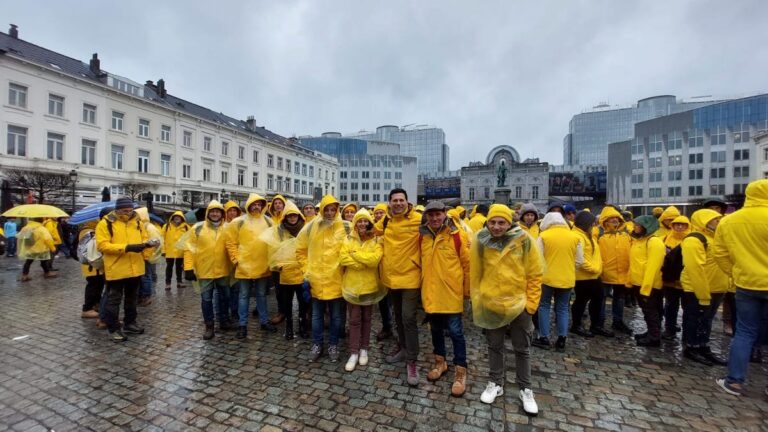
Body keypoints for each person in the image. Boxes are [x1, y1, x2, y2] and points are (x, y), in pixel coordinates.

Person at [471, 204, 541, 415]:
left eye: (501, 222)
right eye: (492, 222)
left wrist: (531, 305)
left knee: (522, 348)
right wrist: (478, 298)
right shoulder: (481, 240)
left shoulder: (524, 240)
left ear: (509, 222)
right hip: (492, 302)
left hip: (519, 303)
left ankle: (525, 388)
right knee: (494, 346)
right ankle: (495, 383)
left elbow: (535, 273)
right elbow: (475, 272)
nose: (496, 226)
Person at [714, 179, 768, 396]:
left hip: (746, 283)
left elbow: (720, 254)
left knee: (744, 332)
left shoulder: (729, 221)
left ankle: (734, 381)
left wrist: (735, 273)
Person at [419, 201, 470, 396]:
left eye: (437, 214)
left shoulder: (457, 236)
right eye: (430, 215)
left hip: (451, 293)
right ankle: (440, 363)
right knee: (436, 331)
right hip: (431, 292)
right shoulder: (422, 236)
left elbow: (467, 265)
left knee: (456, 333)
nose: (434, 218)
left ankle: (460, 370)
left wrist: (466, 291)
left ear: (444, 214)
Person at [376, 188, 422, 386]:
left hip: (411, 276)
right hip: (391, 277)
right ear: (389, 203)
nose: (398, 203)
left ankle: (412, 360)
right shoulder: (385, 220)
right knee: (397, 316)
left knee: (408, 317)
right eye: (394, 200)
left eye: (401, 200)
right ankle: (403, 348)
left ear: (407, 201)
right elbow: (367, 229)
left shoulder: (419, 219)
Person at [96, 197, 158, 342]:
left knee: (132, 299)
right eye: (125, 210)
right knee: (114, 300)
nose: (128, 213)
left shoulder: (137, 222)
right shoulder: (105, 223)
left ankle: (130, 323)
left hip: (135, 267)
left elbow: (144, 239)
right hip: (116, 268)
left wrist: (147, 250)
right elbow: (102, 246)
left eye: (130, 210)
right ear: (117, 210)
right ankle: (114, 328)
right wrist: (127, 248)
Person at [296, 195, 347, 363]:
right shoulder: (311, 227)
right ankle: (317, 344)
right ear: (322, 209)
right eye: (328, 209)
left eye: (334, 209)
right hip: (316, 279)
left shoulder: (343, 227)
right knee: (317, 315)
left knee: (336, 316)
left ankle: (333, 344)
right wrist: (306, 271)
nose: (331, 213)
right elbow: (300, 250)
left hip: (336, 279)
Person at [225, 193, 277, 339]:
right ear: (249, 205)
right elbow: (231, 242)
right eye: (254, 204)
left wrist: (272, 261)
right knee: (243, 296)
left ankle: (264, 321)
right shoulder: (239, 221)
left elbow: (274, 242)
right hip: (244, 265)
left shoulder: (268, 221)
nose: (256, 206)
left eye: (259, 204)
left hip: (262, 265)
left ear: (262, 206)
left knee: (261, 295)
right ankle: (242, 325)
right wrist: (236, 260)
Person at [679, 209, 728, 366]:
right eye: (715, 220)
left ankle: (703, 346)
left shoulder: (717, 239)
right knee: (695, 319)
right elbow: (695, 269)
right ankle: (691, 347)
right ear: (704, 222)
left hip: (716, 288)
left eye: (719, 219)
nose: (718, 222)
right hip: (697, 290)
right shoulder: (694, 240)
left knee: (706, 321)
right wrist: (703, 294)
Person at [339, 208, 385, 371]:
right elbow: (343, 258)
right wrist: (362, 262)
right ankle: (353, 352)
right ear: (355, 223)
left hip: (370, 286)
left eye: (365, 221)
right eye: (359, 221)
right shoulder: (348, 239)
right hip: (352, 286)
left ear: (370, 222)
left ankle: (364, 348)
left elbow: (375, 260)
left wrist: (356, 254)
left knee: (367, 319)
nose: (362, 224)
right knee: (354, 319)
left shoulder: (377, 240)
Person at [182, 200, 233, 340]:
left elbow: (234, 246)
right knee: (206, 299)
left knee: (225, 297)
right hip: (205, 271)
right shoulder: (197, 228)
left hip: (223, 270)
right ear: (208, 213)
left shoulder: (228, 228)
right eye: (212, 211)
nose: (215, 214)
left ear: (222, 214)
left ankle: (224, 321)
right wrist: (188, 268)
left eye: (218, 211)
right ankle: (209, 326)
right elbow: (188, 249)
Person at [533, 212, 582, 351]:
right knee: (562, 308)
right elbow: (579, 261)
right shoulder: (575, 237)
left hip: (547, 278)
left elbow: (537, 259)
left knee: (544, 306)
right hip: (567, 278)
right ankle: (562, 339)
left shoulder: (544, 236)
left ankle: (544, 337)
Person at [263, 201, 308, 340]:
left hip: (301, 271)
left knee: (302, 302)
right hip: (286, 273)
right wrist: (276, 265)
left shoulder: (305, 229)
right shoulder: (278, 231)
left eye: (294, 215)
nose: (292, 218)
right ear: (285, 217)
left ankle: (302, 326)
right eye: (289, 216)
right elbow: (272, 250)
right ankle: (288, 327)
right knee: (287, 303)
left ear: (299, 216)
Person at [571, 211, 613, 338]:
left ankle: (596, 326)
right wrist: (594, 269)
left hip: (593, 275)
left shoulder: (587, 235)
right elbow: (579, 259)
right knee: (581, 301)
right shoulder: (577, 236)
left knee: (598, 299)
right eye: (591, 223)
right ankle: (577, 325)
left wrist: (597, 268)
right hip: (584, 276)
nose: (593, 226)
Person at [630, 215, 666, 347]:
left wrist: (646, 286)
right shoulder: (640, 241)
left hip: (649, 284)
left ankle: (654, 336)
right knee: (648, 310)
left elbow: (653, 266)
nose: (635, 227)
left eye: (638, 225)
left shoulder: (653, 242)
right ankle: (652, 332)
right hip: (639, 282)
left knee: (651, 310)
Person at [597, 206, 633, 334]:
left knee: (620, 298)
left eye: (617, 219)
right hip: (605, 272)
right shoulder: (599, 235)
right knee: (602, 298)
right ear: (605, 221)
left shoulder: (626, 235)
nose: (615, 222)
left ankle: (618, 321)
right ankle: (599, 322)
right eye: (612, 220)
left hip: (622, 273)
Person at [661, 215, 691, 340]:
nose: (679, 227)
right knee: (670, 306)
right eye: (677, 224)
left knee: (688, 308)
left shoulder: (691, 239)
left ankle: (687, 332)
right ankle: (670, 329)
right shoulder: (665, 238)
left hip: (686, 280)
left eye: (682, 225)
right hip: (670, 280)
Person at [371, 203, 393, 341]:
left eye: (381, 212)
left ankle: (393, 329)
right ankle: (386, 327)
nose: (379, 215)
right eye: (377, 213)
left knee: (392, 303)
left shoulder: (391, 228)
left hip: (392, 271)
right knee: (383, 303)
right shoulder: (372, 231)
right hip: (377, 272)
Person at [18, 217, 57, 281]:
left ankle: (24, 275)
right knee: (44, 261)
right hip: (41, 249)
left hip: (30, 249)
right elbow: (47, 239)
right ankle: (47, 273)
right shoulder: (42, 229)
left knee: (28, 262)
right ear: (41, 221)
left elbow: (22, 237)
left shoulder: (26, 227)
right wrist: (52, 248)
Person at [78, 226, 104, 319]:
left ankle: (96, 305)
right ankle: (87, 309)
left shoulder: (90, 230)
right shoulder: (88, 232)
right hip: (92, 265)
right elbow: (91, 248)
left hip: (94, 265)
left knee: (98, 285)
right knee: (93, 286)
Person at [162, 211, 189, 291]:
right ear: (172, 218)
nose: (177, 218)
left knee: (179, 268)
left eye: (179, 217)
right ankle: (168, 283)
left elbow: (190, 238)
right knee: (169, 267)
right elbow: (161, 239)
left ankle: (179, 282)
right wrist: (163, 250)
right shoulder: (166, 226)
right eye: (175, 217)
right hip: (169, 251)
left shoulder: (186, 227)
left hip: (181, 252)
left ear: (182, 218)